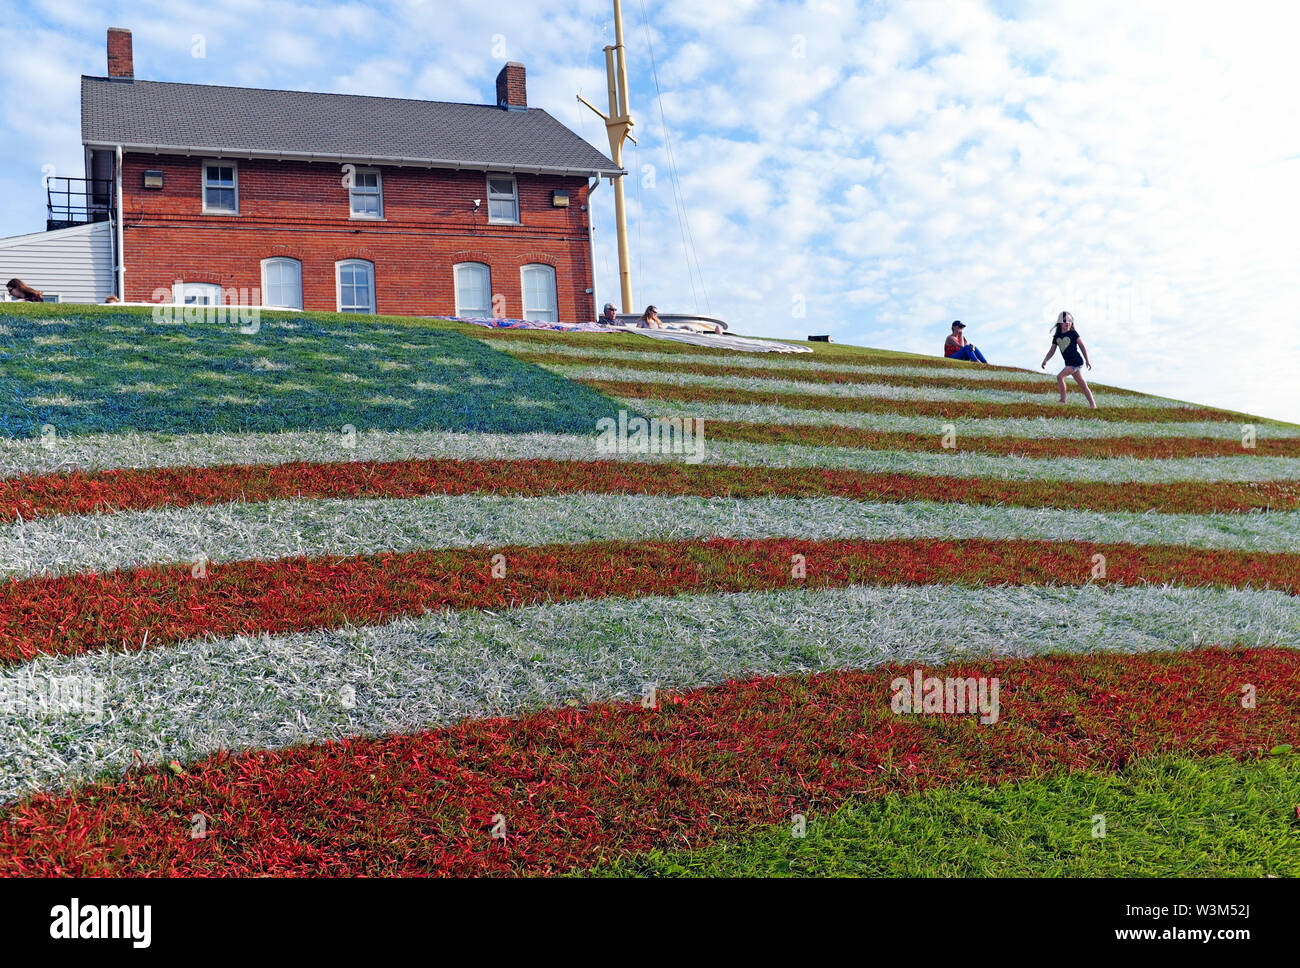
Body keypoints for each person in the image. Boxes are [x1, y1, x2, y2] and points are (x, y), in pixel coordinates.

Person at [1041, 310, 1096, 408]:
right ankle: (1093, 405)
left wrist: (1087, 360)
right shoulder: (1057, 337)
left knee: (1060, 377)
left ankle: (1063, 400)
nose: (1068, 322)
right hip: (1070, 363)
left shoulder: (1073, 333)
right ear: (1060, 322)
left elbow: (1082, 346)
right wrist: (1045, 360)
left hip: (1075, 362)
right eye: (1065, 320)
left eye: (1070, 320)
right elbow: (1052, 351)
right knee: (1083, 385)